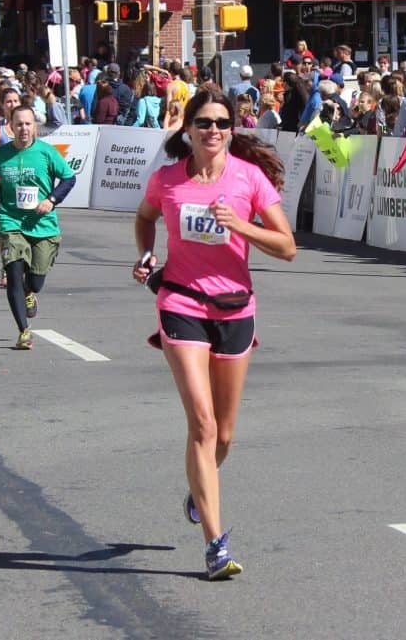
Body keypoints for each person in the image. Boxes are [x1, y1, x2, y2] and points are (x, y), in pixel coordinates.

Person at [131, 88, 296, 581]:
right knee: (201, 425)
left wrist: (241, 226)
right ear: (188, 129)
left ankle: (199, 489)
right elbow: (144, 218)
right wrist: (147, 256)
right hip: (181, 302)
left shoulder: (250, 179)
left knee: (224, 433)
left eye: (222, 123)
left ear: (232, 128)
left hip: (235, 309)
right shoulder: (168, 180)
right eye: (203, 122)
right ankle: (216, 546)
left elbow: (288, 247)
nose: (213, 131)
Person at [0, 105, 76, 349]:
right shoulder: (0, 155)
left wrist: (51, 200)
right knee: (14, 276)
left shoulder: (46, 153)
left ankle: (30, 292)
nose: (24, 129)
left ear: (34, 126)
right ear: (11, 126)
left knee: (35, 281)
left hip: (43, 225)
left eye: (28, 124)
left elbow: (69, 178)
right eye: (19, 124)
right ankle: (23, 331)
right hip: (10, 223)